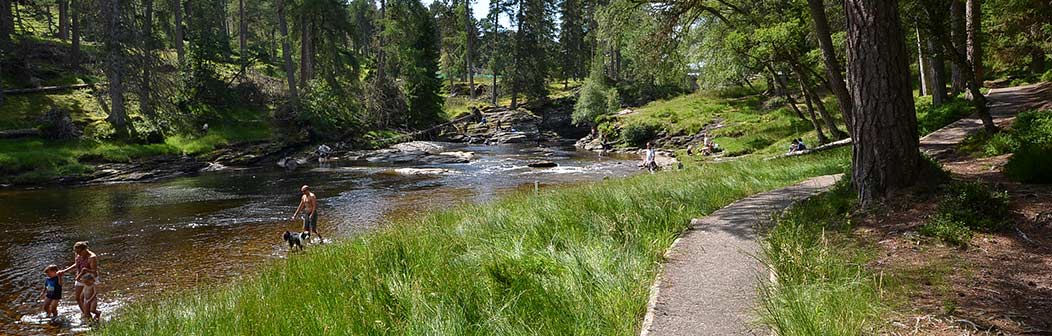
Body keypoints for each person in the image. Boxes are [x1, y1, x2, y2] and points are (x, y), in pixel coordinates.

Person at [60, 241, 97, 321]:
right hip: (80, 277)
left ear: (85, 249)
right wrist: (64, 271)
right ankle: (86, 315)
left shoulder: (92, 257)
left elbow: (94, 272)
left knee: (87, 297)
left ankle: (92, 313)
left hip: (89, 279)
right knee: (78, 298)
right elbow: (76, 264)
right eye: (76, 252)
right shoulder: (77, 254)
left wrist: (85, 270)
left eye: (79, 252)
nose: (78, 254)